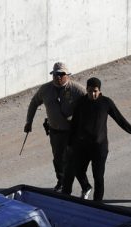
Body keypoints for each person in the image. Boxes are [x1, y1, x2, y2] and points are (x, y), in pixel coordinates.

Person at [62, 77, 131, 201]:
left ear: (100, 91)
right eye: (90, 91)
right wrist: (70, 144)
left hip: (99, 147)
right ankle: (86, 186)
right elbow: (75, 124)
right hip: (83, 146)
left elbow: (119, 118)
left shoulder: (106, 102)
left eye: (95, 91)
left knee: (98, 177)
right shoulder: (81, 103)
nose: (93, 94)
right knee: (78, 170)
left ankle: (97, 204)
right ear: (86, 89)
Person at [25, 62, 90, 193]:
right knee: (58, 158)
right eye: (55, 74)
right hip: (54, 131)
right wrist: (29, 121)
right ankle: (61, 182)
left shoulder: (77, 89)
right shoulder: (45, 89)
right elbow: (34, 103)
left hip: (72, 132)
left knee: (73, 160)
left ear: (67, 75)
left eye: (61, 74)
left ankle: (85, 186)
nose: (58, 77)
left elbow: (90, 104)